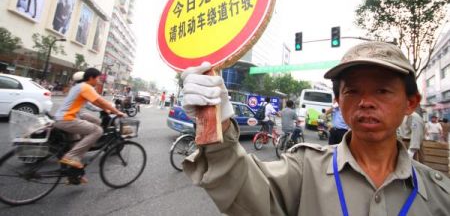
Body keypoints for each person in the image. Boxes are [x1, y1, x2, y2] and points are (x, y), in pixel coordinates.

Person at [181, 42, 450, 215]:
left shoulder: (440, 194)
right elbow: (243, 188)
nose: (366, 102)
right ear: (339, 101)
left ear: (411, 102)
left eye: (382, 90)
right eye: (352, 91)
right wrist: (218, 121)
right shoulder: (304, 168)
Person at [53, 68, 126, 183]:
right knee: (97, 130)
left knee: (79, 146)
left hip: (62, 118)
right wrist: (117, 112)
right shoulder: (86, 87)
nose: (99, 81)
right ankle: (69, 157)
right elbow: (100, 100)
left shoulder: (78, 87)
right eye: (98, 78)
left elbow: (95, 103)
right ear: (91, 78)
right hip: (67, 119)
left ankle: (74, 176)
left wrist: (107, 109)